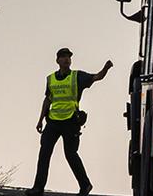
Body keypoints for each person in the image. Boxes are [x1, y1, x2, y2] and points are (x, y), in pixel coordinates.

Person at [29, 47, 113, 195]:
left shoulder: (77, 76)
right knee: (44, 153)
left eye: (68, 57)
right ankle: (38, 188)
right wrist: (40, 120)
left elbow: (97, 77)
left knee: (71, 154)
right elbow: (48, 100)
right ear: (57, 60)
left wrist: (106, 68)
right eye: (63, 56)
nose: (66, 59)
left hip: (70, 122)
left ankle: (85, 185)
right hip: (53, 122)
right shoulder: (51, 79)